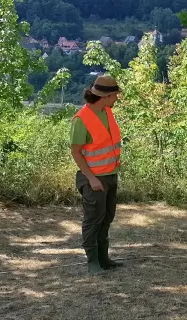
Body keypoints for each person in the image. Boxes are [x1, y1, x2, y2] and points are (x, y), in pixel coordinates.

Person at [70, 75, 124, 274]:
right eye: (115, 95)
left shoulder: (107, 112)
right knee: (93, 219)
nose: (117, 98)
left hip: (110, 175)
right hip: (93, 179)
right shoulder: (81, 120)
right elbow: (76, 152)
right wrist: (91, 179)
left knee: (107, 217)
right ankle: (93, 262)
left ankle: (104, 258)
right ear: (105, 96)